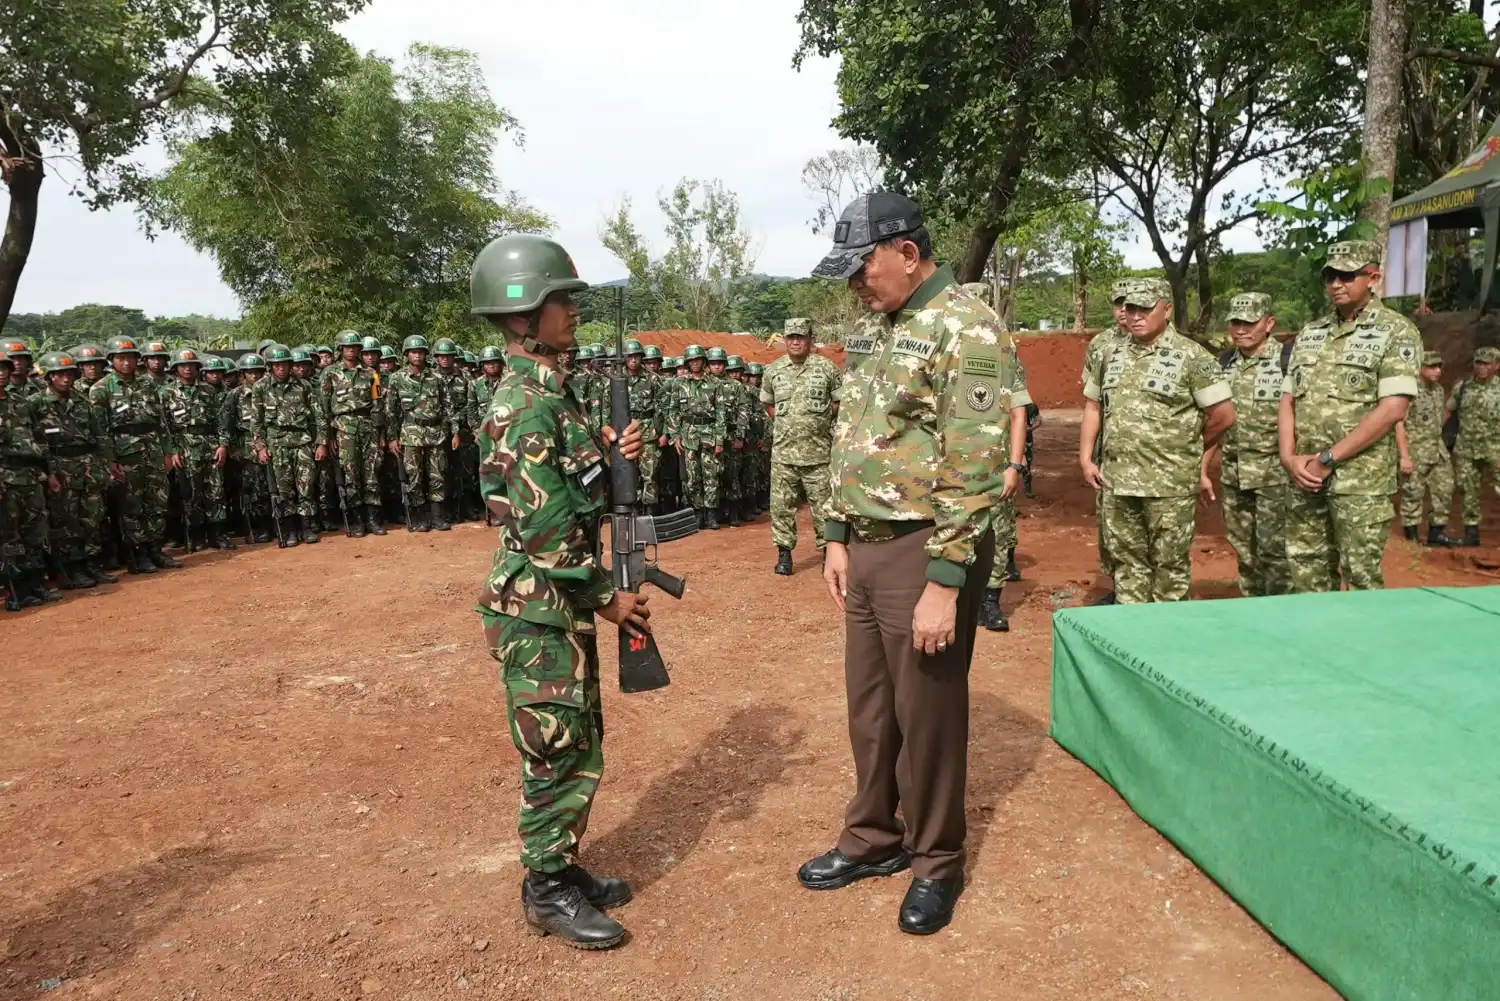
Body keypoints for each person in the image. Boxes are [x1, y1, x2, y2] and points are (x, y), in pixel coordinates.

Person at [800, 192, 1028, 935]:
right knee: (870, 708)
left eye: (862, 267)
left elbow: (976, 463)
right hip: (863, 545)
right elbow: (851, 432)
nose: (855, 285)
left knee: (926, 713)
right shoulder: (874, 326)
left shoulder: (969, 327)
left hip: (925, 546)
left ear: (907, 250)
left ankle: (937, 860)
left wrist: (946, 579)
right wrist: (833, 531)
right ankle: (873, 837)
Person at [468, 233, 649, 950]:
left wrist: (611, 457)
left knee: (577, 738)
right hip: (540, 605)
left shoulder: (555, 393)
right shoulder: (524, 404)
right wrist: (610, 596)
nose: (572, 311)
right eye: (560, 300)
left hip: (555, 604)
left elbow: (572, 490)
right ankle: (544, 886)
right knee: (553, 745)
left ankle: (562, 864)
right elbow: (545, 529)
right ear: (521, 317)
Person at [1079, 278, 1234, 603]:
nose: (1135, 315)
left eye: (1144, 309)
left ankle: (1166, 644)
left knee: (1169, 572)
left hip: (1169, 487)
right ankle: (1132, 641)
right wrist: (1085, 458)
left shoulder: (1193, 357)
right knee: (1128, 568)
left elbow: (1223, 415)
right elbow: (1094, 406)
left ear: (1166, 309)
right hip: (1118, 483)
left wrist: (1187, 445)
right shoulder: (1110, 353)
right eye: (1130, 308)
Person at [1280, 241, 1420, 590]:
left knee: (1361, 579)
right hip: (1305, 476)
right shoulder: (1311, 333)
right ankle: (1314, 644)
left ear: (1373, 278)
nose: (1335, 284)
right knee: (1306, 575)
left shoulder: (1396, 331)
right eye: (1330, 277)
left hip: (1361, 482)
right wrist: (1288, 457)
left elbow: (1393, 409)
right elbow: (1288, 399)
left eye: (1346, 276)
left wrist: (1329, 458)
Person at [1217, 293, 1291, 596]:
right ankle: (1252, 608)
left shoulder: (1289, 360)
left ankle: (1280, 613)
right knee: (1244, 550)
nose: (1242, 329)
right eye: (1236, 322)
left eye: (1250, 322)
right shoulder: (1223, 363)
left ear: (1269, 323)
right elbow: (1214, 418)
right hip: (1233, 475)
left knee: (1276, 552)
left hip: (1275, 475)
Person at [90, 335, 182, 573]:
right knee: (132, 507)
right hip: (125, 455)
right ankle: (137, 554)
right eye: (121, 358)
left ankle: (155, 549)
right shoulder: (100, 389)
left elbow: (161, 421)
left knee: (157, 502)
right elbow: (100, 432)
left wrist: (168, 451)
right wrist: (110, 462)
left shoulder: (148, 384)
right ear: (112, 360)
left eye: (131, 357)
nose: (127, 363)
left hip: (152, 450)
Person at [763, 318, 843, 574]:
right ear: (785, 340)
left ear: (810, 339)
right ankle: (784, 556)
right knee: (781, 509)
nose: (796, 341)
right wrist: (790, 423)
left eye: (801, 336)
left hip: (818, 455)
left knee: (824, 509)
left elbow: (839, 402)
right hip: (784, 456)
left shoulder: (827, 368)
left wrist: (818, 421)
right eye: (791, 337)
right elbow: (768, 404)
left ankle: (828, 554)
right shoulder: (773, 370)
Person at [1079, 280, 1136, 604]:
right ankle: (1119, 586)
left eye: (1131, 304)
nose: (1125, 311)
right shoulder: (1101, 345)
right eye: (1119, 304)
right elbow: (1091, 400)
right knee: (1109, 521)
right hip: (1107, 450)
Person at [251, 345, 328, 546]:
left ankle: (306, 527)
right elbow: (256, 421)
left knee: (306, 485)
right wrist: (260, 446)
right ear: (270, 366)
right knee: (284, 490)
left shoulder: (303, 386)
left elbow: (319, 416)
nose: (281, 369)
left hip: (302, 441)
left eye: (284, 364)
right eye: (277, 365)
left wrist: (321, 443)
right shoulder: (260, 387)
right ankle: (290, 530)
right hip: (277, 444)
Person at [1, 348, 60, 608]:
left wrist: (49, 473)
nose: (2, 373)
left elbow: (40, 439)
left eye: (4, 368)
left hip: (31, 474)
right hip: (5, 476)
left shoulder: (21, 403)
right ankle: (16, 591)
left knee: (35, 532)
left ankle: (36, 584)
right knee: (9, 536)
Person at [162, 347, 234, 551]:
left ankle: (218, 534)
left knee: (216, 491)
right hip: (184, 445)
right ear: (176, 368)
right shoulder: (166, 393)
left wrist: (223, 444)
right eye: (183, 366)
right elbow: (164, 425)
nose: (187, 369)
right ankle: (196, 536)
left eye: (191, 366)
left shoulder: (209, 391)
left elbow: (221, 420)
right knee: (190, 493)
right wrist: (172, 450)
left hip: (210, 444)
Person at [384, 335, 452, 532]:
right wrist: (392, 438)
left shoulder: (436, 378)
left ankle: (437, 517)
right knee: (414, 476)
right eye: (414, 352)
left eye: (421, 352)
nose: (417, 356)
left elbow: (448, 407)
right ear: (407, 354)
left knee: (437, 474)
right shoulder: (397, 378)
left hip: (435, 433)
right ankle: (420, 516)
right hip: (411, 433)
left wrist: (449, 431)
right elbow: (390, 411)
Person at [323, 330, 386, 537]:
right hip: (343, 427)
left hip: (368, 425)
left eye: (355, 347)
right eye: (347, 347)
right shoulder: (330, 373)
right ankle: (356, 520)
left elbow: (378, 405)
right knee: (351, 473)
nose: (352, 351)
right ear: (340, 349)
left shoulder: (370, 373)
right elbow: (323, 408)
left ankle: (373, 519)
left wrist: (381, 434)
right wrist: (328, 437)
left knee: (371, 472)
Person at [1396, 351, 1456, 546]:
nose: (1437, 371)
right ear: (1419, 368)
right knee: (1413, 493)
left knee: (1444, 489)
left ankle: (1436, 533)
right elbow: (1398, 423)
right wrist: (1404, 456)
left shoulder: (1438, 390)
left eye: (1439, 367)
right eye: (1431, 366)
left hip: (1437, 451)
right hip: (1416, 451)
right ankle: (1411, 537)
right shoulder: (1409, 391)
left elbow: (1441, 416)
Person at [1446, 345, 1500, 547]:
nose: (1481, 367)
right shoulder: (1463, 387)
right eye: (1478, 362)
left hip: (1495, 450)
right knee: (1468, 491)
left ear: (1496, 366)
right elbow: (1448, 411)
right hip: (1466, 449)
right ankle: (1471, 535)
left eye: (1486, 363)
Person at [670, 344, 728, 529]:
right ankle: (697, 513)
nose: (695, 363)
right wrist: (675, 435)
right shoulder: (679, 383)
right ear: (687, 363)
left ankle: (711, 515)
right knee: (693, 477)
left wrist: (720, 440)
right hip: (688, 434)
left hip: (709, 433)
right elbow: (674, 410)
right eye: (691, 361)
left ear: (704, 362)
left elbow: (721, 413)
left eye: (698, 360)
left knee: (711, 475)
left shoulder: (715, 383)